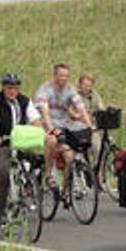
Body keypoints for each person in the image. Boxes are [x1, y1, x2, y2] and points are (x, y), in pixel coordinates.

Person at [0, 73, 42, 227]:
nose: (12, 91)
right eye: (9, 88)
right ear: (3, 87)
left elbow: (35, 120)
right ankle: (1, 216)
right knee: (2, 172)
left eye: (15, 88)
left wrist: (38, 132)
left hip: (20, 141)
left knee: (38, 160)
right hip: (0, 144)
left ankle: (28, 187)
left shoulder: (24, 101)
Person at [35, 63, 92, 193]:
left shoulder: (70, 89)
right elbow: (45, 112)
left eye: (66, 76)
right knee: (52, 140)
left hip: (63, 124)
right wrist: (51, 129)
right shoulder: (45, 89)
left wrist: (89, 125)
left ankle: (66, 191)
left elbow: (81, 107)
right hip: (45, 123)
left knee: (70, 157)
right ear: (55, 76)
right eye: (61, 76)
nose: (64, 79)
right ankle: (48, 175)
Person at [77, 73, 105, 162]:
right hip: (78, 128)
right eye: (84, 85)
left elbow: (101, 109)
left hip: (92, 128)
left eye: (89, 86)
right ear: (79, 85)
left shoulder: (95, 96)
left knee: (98, 146)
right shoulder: (75, 96)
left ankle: (99, 172)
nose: (87, 88)